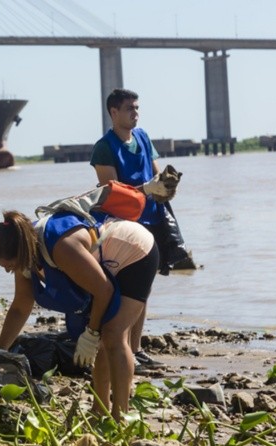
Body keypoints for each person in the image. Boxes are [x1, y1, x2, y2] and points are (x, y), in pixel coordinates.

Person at [0, 208, 159, 420]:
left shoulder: (61, 247)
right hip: (104, 267)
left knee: (113, 334)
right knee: (105, 335)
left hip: (135, 251)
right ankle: (99, 409)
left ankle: (120, 415)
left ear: (19, 252)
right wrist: (0, 350)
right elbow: (20, 307)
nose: (8, 270)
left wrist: (91, 333)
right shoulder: (26, 258)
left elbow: (103, 290)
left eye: (9, 265)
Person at [90, 88, 179, 371]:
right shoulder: (104, 147)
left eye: (137, 107)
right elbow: (111, 193)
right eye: (129, 108)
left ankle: (136, 350)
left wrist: (166, 184)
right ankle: (122, 349)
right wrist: (147, 189)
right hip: (124, 227)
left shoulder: (142, 136)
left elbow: (155, 174)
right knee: (126, 292)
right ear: (113, 112)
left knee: (144, 290)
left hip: (151, 221)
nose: (135, 113)